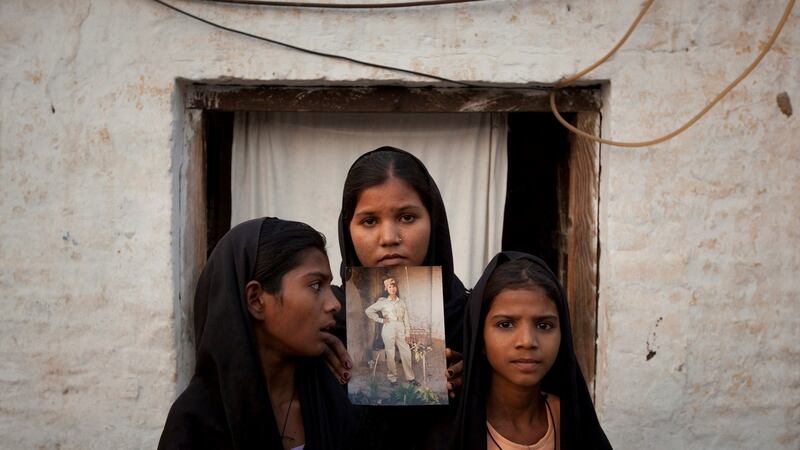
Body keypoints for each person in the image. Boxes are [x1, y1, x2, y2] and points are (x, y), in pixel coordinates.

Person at [158, 218, 354, 450]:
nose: (334, 304)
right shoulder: (197, 424)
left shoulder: (332, 400)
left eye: (329, 285)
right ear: (256, 299)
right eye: (315, 285)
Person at [329, 147, 470, 450]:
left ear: (433, 221)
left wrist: (479, 377)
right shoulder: (325, 324)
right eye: (369, 221)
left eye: (407, 217)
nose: (389, 237)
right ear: (347, 228)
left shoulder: (475, 319)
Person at [452, 252, 612, 450]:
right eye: (505, 324)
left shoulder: (574, 422)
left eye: (544, 326)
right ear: (480, 337)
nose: (527, 341)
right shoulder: (451, 432)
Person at [364, 277, 416, 385]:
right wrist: (381, 320)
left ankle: (410, 378)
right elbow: (368, 311)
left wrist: (407, 333)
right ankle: (392, 379)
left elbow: (406, 319)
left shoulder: (401, 302)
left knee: (406, 353)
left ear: (396, 288)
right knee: (390, 353)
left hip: (401, 327)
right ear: (386, 288)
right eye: (390, 287)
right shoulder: (383, 302)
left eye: (394, 286)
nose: (392, 289)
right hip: (388, 328)